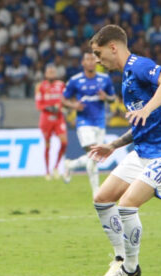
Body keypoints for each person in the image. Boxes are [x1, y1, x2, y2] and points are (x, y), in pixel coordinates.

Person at [89, 25, 161, 276]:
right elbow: (141, 123)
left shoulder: (140, 65)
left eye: (99, 54)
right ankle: (121, 258)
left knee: (126, 205)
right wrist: (114, 145)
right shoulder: (126, 77)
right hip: (144, 151)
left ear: (114, 47)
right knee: (102, 198)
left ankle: (131, 268)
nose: (97, 61)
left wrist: (147, 108)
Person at [61, 52, 116, 196]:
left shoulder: (105, 79)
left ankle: (70, 165)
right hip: (83, 122)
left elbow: (113, 98)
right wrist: (74, 106)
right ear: (83, 63)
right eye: (88, 60)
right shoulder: (75, 80)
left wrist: (106, 97)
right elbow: (63, 99)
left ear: (96, 62)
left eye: (93, 59)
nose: (91, 62)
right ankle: (96, 192)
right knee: (94, 153)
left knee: (95, 156)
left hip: (100, 122)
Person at [34, 64, 67, 180]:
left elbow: (65, 99)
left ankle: (56, 166)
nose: (51, 74)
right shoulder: (40, 86)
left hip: (58, 118)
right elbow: (38, 105)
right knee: (48, 144)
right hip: (46, 118)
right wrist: (50, 108)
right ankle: (47, 171)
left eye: (53, 72)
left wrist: (61, 106)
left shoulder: (61, 85)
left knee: (64, 142)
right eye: (49, 72)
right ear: (45, 74)